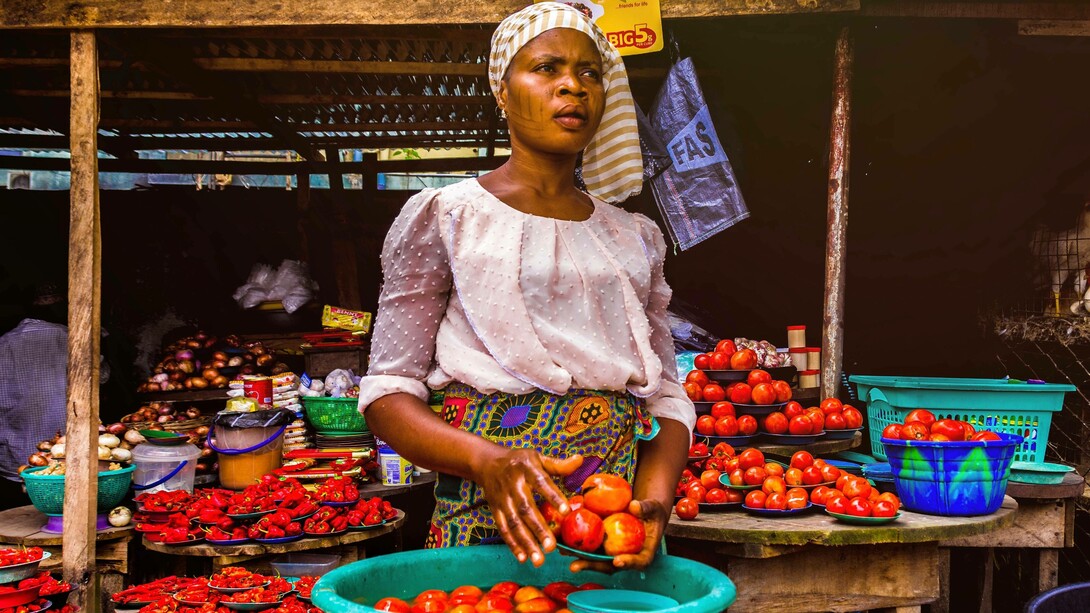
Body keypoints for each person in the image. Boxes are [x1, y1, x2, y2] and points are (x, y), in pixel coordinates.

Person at [357, 2, 695, 571]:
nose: (573, 86)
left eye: (591, 73)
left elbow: (665, 397)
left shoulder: (634, 236)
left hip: (610, 529)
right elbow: (388, 392)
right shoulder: (447, 215)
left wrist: (653, 504)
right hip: (485, 513)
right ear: (503, 92)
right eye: (547, 68)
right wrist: (488, 462)